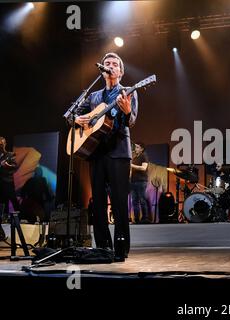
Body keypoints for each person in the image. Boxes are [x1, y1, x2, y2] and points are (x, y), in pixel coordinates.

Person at [73, 52, 138, 261]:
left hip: (119, 153)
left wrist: (127, 111)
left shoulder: (128, 92)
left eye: (114, 64)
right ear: (103, 70)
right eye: (107, 63)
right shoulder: (93, 96)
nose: (110, 66)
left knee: (119, 202)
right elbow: (74, 116)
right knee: (98, 203)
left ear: (120, 71)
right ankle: (103, 248)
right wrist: (78, 119)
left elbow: (131, 121)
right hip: (96, 153)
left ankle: (120, 249)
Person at [0, 136, 20, 241]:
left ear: (5, 144)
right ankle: (3, 219)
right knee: (2, 203)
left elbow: (15, 166)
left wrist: (8, 165)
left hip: (8, 182)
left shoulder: (10, 155)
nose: (1, 145)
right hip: (0, 184)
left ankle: (18, 219)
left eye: (2, 144)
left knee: (12, 199)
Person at [130, 142, 149, 224]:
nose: (135, 149)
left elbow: (144, 168)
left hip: (141, 181)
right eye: (135, 147)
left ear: (142, 149)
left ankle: (145, 218)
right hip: (133, 181)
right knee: (134, 201)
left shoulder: (144, 156)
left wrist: (132, 165)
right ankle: (136, 219)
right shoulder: (135, 158)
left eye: (137, 147)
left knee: (142, 200)